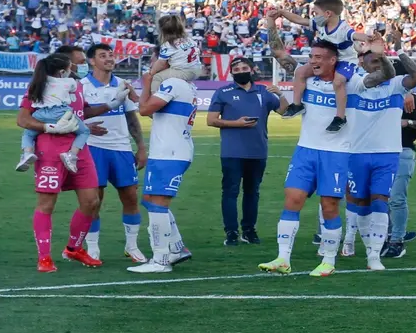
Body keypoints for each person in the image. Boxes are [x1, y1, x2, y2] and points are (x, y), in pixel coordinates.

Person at [258, 40, 357, 277]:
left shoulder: (352, 83)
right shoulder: (306, 78)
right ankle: (283, 258)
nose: (313, 61)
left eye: (319, 57)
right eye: (311, 56)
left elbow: (380, 74)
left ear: (333, 60)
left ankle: (329, 260)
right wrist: (272, 22)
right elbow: (280, 52)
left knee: (329, 205)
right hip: (305, 150)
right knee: (292, 199)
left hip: (336, 153)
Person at [17, 53, 106, 272]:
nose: (78, 67)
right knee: (47, 204)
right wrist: (48, 128)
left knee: (91, 201)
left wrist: (93, 120)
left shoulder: (75, 87)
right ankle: (44, 258)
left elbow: (80, 112)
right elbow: (23, 119)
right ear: (63, 69)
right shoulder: (38, 87)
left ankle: (74, 249)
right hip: (50, 149)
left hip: (78, 149)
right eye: (75, 63)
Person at [340, 40, 416, 271]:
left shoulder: (396, 83)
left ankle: (374, 256)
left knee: (380, 200)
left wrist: (399, 52)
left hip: (387, 153)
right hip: (356, 152)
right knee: (362, 203)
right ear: (362, 61)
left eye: (379, 58)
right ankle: (367, 248)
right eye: (372, 58)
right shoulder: (355, 82)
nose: (376, 62)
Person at [206, 57, 288, 246]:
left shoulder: (263, 92)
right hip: (232, 152)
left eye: (244, 67)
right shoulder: (223, 92)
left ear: (252, 70)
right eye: (237, 68)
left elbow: (284, 112)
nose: (240, 71)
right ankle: (231, 232)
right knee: (230, 192)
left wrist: (281, 95)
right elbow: (211, 120)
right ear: (231, 72)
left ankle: (249, 230)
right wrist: (236, 123)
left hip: (257, 151)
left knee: (252, 192)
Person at [128, 63, 199, 273]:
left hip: (170, 152)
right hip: (167, 151)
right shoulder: (182, 85)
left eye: (155, 61)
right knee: (149, 200)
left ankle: (160, 260)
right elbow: (156, 113)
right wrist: (137, 95)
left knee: (158, 202)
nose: (152, 65)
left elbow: (144, 110)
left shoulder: (172, 83)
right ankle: (176, 248)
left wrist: (146, 83)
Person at [80, 43, 147, 264]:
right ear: (92, 61)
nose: (109, 59)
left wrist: (141, 146)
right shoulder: (81, 86)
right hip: (92, 148)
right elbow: (75, 115)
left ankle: (132, 246)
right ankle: (92, 248)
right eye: (103, 56)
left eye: (111, 55)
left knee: (130, 197)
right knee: (94, 201)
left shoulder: (123, 85)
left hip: (121, 148)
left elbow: (131, 119)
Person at [274, 0, 370, 132]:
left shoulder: (343, 29)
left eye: (316, 13)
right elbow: (300, 20)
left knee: (338, 82)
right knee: (300, 72)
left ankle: (340, 117)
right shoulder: (321, 24)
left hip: (345, 61)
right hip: (326, 60)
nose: (314, 16)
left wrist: (371, 38)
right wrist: (282, 13)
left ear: (328, 14)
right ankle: (297, 105)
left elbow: (357, 35)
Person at [17, 56, 92, 174]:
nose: (71, 71)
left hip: (41, 113)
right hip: (61, 112)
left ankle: (27, 153)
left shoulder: (39, 82)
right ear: (62, 72)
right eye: (69, 69)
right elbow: (73, 89)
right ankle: (71, 155)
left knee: (28, 134)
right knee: (84, 131)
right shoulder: (69, 82)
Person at [385, 88, 416, 258]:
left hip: (402, 152)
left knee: (397, 198)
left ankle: (397, 241)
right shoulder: (378, 94)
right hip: (378, 152)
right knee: (378, 198)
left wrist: (408, 122)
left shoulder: (411, 100)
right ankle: (387, 235)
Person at [142, 14, 202, 95]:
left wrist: (151, 73)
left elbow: (161, 63)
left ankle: (155, 99)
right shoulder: (189, 39)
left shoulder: (169, 44)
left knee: (157, 77)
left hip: (185, 71)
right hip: (197, 69)